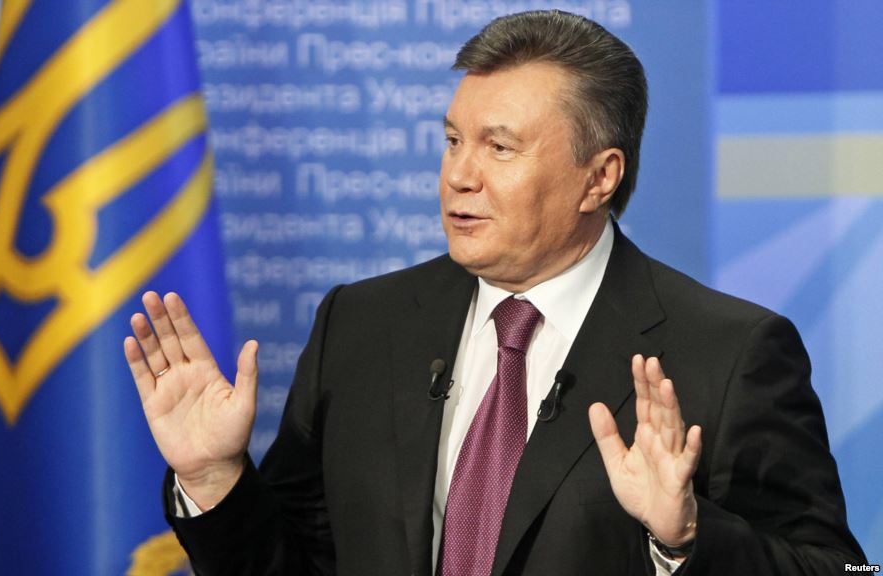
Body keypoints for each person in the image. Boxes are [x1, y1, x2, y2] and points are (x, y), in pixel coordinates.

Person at [123, 10, 865, 576]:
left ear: (600, 177)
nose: (458, 176)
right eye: (453, 141)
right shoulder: (361, 325)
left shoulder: (728, 354)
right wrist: (213, 477)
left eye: (499, 148)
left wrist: (686, 539)